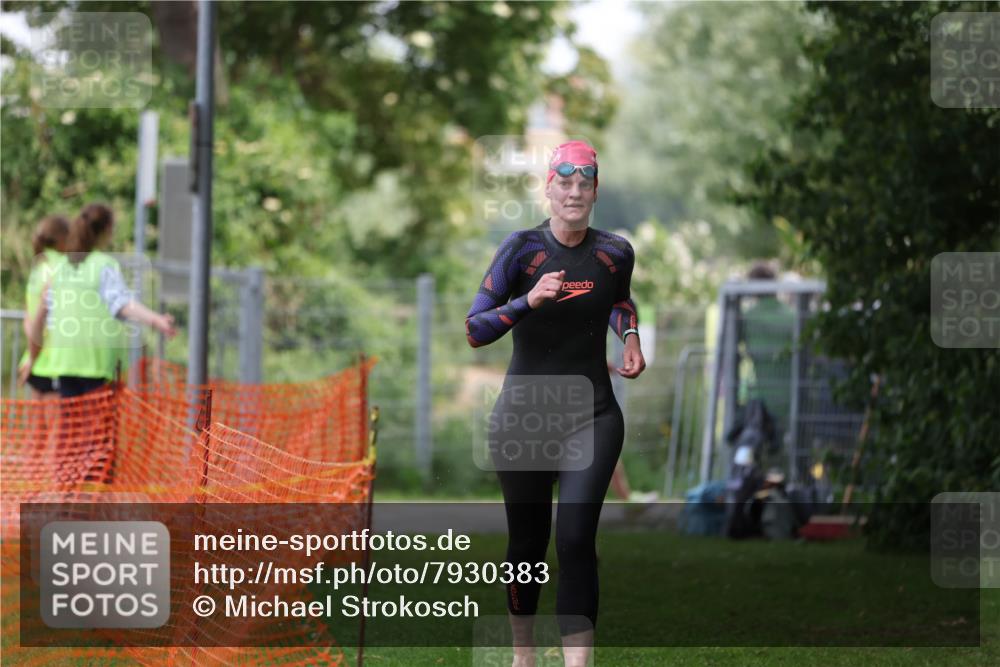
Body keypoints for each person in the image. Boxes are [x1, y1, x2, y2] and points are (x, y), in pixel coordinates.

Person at [466, 140, 646, 667]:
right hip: (523, 419)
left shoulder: (615, 252)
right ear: (548, 188)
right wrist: (528, 300)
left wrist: (630, 336)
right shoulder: (521, 249)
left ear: (595, 191)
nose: (573, 192)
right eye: (564, 183)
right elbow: (475, 329)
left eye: (583, 183)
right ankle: (523, 657)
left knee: (575, 539)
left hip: (593, 415)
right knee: (527, 545)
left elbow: (619, 299)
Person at [24, 202, 177, 398]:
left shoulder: (61, 267)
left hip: (64, 364)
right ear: (107, 230)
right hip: (96, 365)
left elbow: (40, 317)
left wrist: (32, 358)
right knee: (97, 419)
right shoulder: (103, 265)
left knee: (69, 419)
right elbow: (122, 303)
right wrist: (155, 319)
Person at [18, 214, 70, 397]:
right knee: (59, 417)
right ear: (63, 238)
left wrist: (32, 354)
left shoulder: (38, 266)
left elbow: (28, 316)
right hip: (53, 362)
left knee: (37, 416)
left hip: (35, 358)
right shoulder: (61, 266)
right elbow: (43, 316)